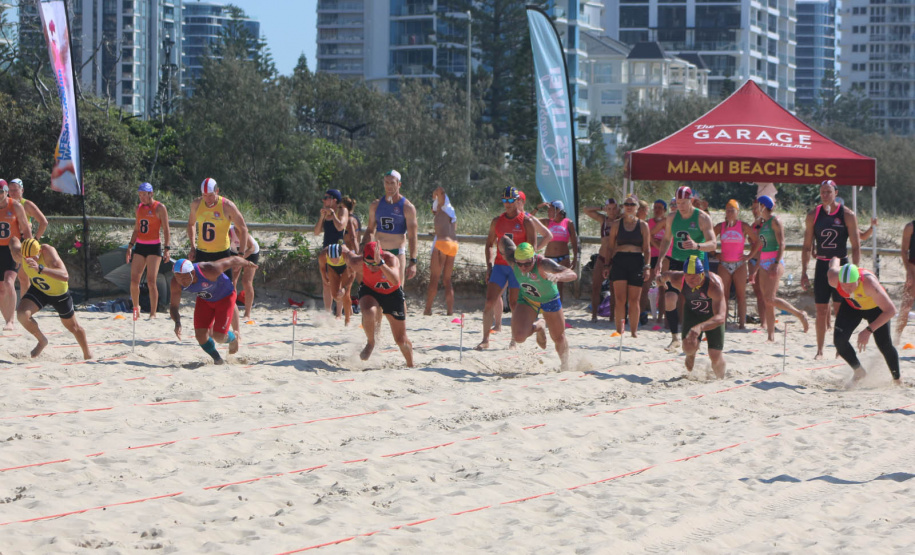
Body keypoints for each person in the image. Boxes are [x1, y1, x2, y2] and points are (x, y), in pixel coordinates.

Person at [801, 179, 861, 360]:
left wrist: (856, 272)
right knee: (820, 309)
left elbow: (856, 246)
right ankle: (819, 350)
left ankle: (839, 348)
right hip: (822, 265)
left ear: (836, 192)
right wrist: (804, 271)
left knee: (839, 309)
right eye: (822, 192)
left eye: (828, 192)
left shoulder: (847, 214)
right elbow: (806, 245)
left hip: (842, 266)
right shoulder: (814, 214)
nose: (825, 195)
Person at [499, 239, 576, 371]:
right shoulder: (512, 258)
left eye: (527, 263)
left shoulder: (544, 263)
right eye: (520, 264)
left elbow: (572, 274)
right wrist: (498, 240)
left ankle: (565, 366)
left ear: (534, 258)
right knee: (518, 337)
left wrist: (559, 277)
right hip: (528, 299)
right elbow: (503, 240)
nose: (523, 267)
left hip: (550, 299)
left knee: (558, 337)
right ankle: (539, 326)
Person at [657, 186, 717, 352]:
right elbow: (666, 240)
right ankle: (675, 338)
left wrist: (696, 245)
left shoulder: (702, 217)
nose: (681, 206)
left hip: (694, 261)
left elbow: (713, 243)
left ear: (691, 201)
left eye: (684, 202)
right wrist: (659, 261)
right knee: (669, 297)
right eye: (678, 203)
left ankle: (696, 337)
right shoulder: (671, 217)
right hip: (676, 260)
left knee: (695, 302)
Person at [476, 187, 537, 350]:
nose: (507, 204)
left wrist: (528, 269)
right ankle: (485, 339)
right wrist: (489, 266)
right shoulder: (497, 221)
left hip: (518, 268)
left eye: (510, 200)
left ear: (518, 200)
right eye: (504, 200)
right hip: (500, 266)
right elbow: (489, 244)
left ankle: (513, 341)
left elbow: (533, 248)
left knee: (514, 303)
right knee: (490, 301)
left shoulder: (526, 221)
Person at [9, 237, 91, 359]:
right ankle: (42, 340)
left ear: (40, 252)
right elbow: (13, 240)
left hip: (59, 294)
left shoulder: (48, 252)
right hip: (39, 290)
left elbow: (64, 275)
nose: (30, 260)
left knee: (73, 327)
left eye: (33, 257)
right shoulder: (20, 253)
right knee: (22, 314)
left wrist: (41, 268)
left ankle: (87, 354)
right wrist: (14, 246)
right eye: (27, 258)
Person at [187, 178, 250, 333]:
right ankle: (206, 330)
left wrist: (240, 255)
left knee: (229, 293)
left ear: (217, 191)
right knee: (203, 292)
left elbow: (243, 229)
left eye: (210, 195)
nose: (207, 198)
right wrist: (193, 246)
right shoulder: (197, 204)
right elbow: (190, 224)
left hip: (222, 254)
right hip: (202, 253)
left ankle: (236, 332)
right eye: (204, 195)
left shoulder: (227, 206)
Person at [827, 258, 901, 387]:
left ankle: (897, 379)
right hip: (852, 307)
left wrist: (868, 330)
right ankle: (859, 371)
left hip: (876, 309)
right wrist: (836, 258)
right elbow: (833, 263)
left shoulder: (869, 283)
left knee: (884, 345)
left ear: (858, 280)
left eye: (850, 285)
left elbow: (891, 311)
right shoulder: (833, 277)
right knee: (839, 341)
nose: (847, 288)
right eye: (844, 285)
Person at [169, 257, 256, 365]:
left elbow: (232, 260)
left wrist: (247, 263)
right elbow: (173, 306)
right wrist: (177, 322)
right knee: (200, 336)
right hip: (205, 298)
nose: (181, 281)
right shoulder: (176, 283)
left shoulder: (208, 269)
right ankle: (218, 360)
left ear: (192, 272)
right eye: (178, 277)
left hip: (225, 296)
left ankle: (234, 338)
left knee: (219, 336)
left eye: (184, 277)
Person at [340, 241, 413, 367]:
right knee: (369, 312)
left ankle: (411, 364)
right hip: (370, 290)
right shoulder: (357, 262)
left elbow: (395, 280)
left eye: (374, 263)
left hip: (392, 293)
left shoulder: (390, 259)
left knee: (401, 340)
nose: (372, 267)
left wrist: (381, 264)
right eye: (368, 263)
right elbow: (345, 252)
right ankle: (371, 342)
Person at [660, 255, 727, 379]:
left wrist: (700, 327)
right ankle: (691, 355)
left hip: (712, 316)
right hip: (693, 312)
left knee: (715, 354)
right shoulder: (677, 278)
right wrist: (659, 281)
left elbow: (721, 317)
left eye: (695, 278)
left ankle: (721, 380)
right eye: (689, 279)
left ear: (702, 274)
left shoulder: (714, 285)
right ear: (684, 275)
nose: (692, 282)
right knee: (688, 348)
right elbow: (664, 275)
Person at [754, 195, 810, 341]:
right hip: (764, 261)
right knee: (767, 300)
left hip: (774, 260)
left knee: (770, 298)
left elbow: (782, 243)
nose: (756, 208)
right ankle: (771, 335)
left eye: (758, 205)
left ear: (763, 206)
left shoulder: (775, 220)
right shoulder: (763, 222)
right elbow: (761, 245)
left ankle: (799, 314)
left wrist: (777, 262)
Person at [602, 195, 650, 337]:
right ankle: (619, 330)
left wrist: (647, 266)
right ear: (623, 206)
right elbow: (610, 247)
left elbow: (647, 249)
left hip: (636, 260)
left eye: (632, 204)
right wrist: (606, 265)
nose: (629, 206)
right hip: (620, 260)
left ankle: (634, 331)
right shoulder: (617, 224)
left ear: (637, 208)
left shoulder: (643, 225)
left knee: (634, 300)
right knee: (620, 299)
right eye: (626, 204)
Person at [363, 170, 419, 284]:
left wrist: (413, 261)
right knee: (376, 289)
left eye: (392, 183)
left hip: (397, 253)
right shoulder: (376, 205)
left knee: (398, 291)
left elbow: (413, 236)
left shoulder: (407, 207)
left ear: (399, 184)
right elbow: (370, 230)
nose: (389, 186)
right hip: (379, 253)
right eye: (386, 182)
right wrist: (362, 248)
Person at [126, 183, 171, 319]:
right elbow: (136, 229)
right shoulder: (138, 208)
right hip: (140, 246)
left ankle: (153, 313)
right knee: (134, 280)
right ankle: (136, 307)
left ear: (151, 193)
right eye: (140, 195)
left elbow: (166, 229)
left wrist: (167, 249)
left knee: (151, 281)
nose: (142, 198)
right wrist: (129, 246)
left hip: (154, 246)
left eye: (144, 195)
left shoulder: (159, 207)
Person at [714, 199, 760, 329]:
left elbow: (757, 242)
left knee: (741, 295)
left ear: (737, 212)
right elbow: (708, 237)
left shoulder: (744, 226)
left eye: (732, 210)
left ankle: (741, 324)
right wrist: (715, 253)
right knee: (724, 295)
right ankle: (724, 322)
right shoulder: (720, 226)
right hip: (724, 264)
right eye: (727, 210)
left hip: (739, 264)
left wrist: (749, 256)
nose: (729, 213)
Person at [8, 178, 49, 302]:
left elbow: (44, 222)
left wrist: (35, 240)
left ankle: (24, 305)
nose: (13, 193)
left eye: (15, 190)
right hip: (7, 241)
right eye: (10, 190)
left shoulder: (27, 204)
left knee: (23, 277)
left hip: (23, 241)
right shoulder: (6, 203)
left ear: (22, 190)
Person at [0, 181, 32, 330]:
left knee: (9, 281)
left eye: (1, 191)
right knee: (1, 288)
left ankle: (10, 321)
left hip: (12, 248)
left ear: (6, 192)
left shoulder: (16, 206)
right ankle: (6, 318)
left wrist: (29, 248)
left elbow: (26, 228)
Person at [584, 198, 619, 322]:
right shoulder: (603, 220)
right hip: (602, 257)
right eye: (609, 209)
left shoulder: (621, 221)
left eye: (614, 208)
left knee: (614, 288)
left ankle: (612, 316)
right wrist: (601, 208)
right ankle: (594, 315)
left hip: (615, 258)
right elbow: (586, 210)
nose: (611, 211)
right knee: (596, 286)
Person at [537, 200, 579, 303]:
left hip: (563, 257)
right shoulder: (547, 221)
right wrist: (537, 207)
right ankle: (547, 307)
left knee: (559, 285)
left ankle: (558, 308)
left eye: (550, 209)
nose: (548, 211)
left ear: (558, 210)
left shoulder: (568, 223)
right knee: (547, 284)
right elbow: (529, 219)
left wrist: (575, 258)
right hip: (549, 257)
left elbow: (574, 241)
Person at [424, 187, 458, 315]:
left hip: (442, 244)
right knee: (447, 280)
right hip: (453, 245)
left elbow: (441, 190)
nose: (435, 211)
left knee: (434, 278)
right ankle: (450, 311)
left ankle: (427, 310)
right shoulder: (451, 213)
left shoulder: (444, 207)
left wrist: (435, 194)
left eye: (435, 207)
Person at [315, 188, 349, 313]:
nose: (323, 200)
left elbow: (340, 227)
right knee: (326, 282)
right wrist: (322, 217)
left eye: (326, 198)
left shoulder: (342, 211)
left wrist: (333, 214)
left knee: (338, 282)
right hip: (326, 250)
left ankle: (339, 313)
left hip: (339, 249)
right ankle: (328, 311)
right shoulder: (325, 213)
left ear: (334, 200)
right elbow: (316, 232)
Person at [229, 224, 259, 320]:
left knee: (246, 281)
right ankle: (232, 309)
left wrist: (240, 261)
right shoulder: (224, 232)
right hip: (234, 251)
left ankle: (247, 313)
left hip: (250, 252)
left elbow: (252, 248)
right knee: (232, 281)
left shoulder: (239, 231)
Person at [646, 199, 668, 323]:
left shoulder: (667, 224)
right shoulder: (649, 223)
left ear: (664, 210)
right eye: (655, 207)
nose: (657, 210)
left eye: (660, 207)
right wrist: (655, 242)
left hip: (663, 258)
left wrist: (653, 241)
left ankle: (661, 316)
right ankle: (643, 314)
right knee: (645, 285)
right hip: (650, 256)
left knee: (662, 287)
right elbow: (646, 240)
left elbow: (662, 246)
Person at [747, 197, 767, 328]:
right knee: (758, 293)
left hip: (764, 259)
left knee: (766, 293)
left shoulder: (766, 224)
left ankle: (766, 321)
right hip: (753, 258)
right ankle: (763, 322)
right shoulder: (754, 225)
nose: (754, 211)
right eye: (753, 208)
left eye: (756, 208)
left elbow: (763, 245)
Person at [896, 220, 915, 344]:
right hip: (914, 270)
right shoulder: (910, 227)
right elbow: (903, 250)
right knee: (905, 307)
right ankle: (896, 339)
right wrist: (908, 271)